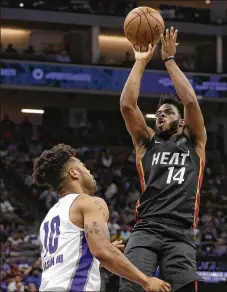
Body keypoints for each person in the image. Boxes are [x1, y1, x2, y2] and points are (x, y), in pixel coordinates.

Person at [119, 27, 207, 292]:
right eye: (157, 113)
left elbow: (190, 102)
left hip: (180, 231)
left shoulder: (194, 143)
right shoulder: (146, 142)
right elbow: (126, 105)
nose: (159, 116)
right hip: (146, 229)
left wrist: (169, 60)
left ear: (181, 122)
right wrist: (141, 61)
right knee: (130, 288)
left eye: (167, 112)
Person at [32, 144, 171, 292]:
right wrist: (146, 280)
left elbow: (66, 263)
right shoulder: (89, 202)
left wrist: (95, 258)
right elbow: (102, 252)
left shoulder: (49, 217)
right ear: (74, 173)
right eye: (83, 166)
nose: (89, 170)